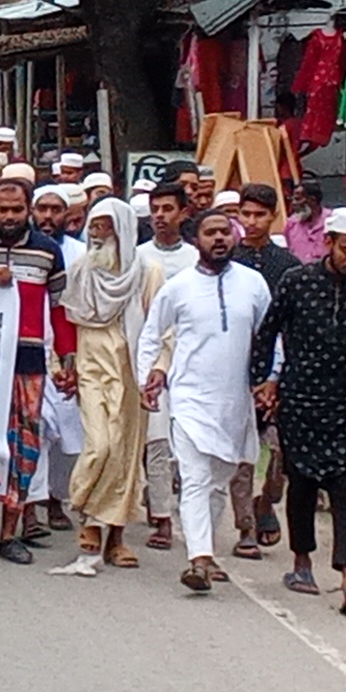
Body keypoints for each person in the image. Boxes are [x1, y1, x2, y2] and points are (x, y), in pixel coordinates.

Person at [251, 206, 346, 615]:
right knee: (302, 483)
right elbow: (268, 332)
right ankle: (301, 563)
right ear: (328, 243)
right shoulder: (297, 281)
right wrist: (264, 380)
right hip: (300, 400)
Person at [136, 211, 273, 593]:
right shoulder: (178, 287)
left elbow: (271, 336)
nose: (219, 239)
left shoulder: (254, 284)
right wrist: (148, 376)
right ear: (196, 239)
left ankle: (206, 551)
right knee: (196, 478)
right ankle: (198, 559)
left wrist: (271, 380)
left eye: (225, 232)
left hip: (236, 401)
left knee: (219, 481)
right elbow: (151, 335)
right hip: (190, 398)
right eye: (211, 233)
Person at [0, 178, 75, 565]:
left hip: (28, 358)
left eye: (16, 210)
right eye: (2, 210)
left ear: (29, 209)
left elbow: (60, 308)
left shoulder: (48, 251)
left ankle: (9, 531)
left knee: (24, 444)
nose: (9, 217)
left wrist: (68, 357)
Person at [51, 198, 161, 576]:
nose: (96, 235)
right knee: (101, 445)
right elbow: (64, 321)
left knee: (125, 454)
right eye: (93, 227)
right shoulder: (80, 270)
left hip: (131, 371)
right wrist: (63, 364)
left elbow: (161, 330)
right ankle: (85, 511)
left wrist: (157, 372)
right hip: (91, 367)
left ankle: (113, 537)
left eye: (104, 227)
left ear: (123, 230)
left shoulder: (147, 273)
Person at [226, 182, 300, 558]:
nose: (252, 222)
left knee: (282, 453)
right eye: (246, 214)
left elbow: (294, 323)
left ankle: (267, 500)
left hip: (282, 371)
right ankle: (245, 529)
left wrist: (280, 375)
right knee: (242, 450)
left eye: (260, 215)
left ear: (274, 217)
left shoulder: (288, 267)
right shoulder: (227, 260)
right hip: (237, 368)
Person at [134, 182, 197, 554]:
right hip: (149, 358)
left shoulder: (195, 259)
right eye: (155, 209)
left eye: (168, 209)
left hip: (191, 362)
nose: (160, 215)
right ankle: (162, 517)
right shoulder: (139, 257)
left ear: (183, 213)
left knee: (187, 445)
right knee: (156, 442)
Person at [282, 180, 330, 264]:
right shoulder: (291, 224)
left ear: (312, 200)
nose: (293, 203)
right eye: (292, 199)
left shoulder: (331, 222)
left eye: (297, 199)